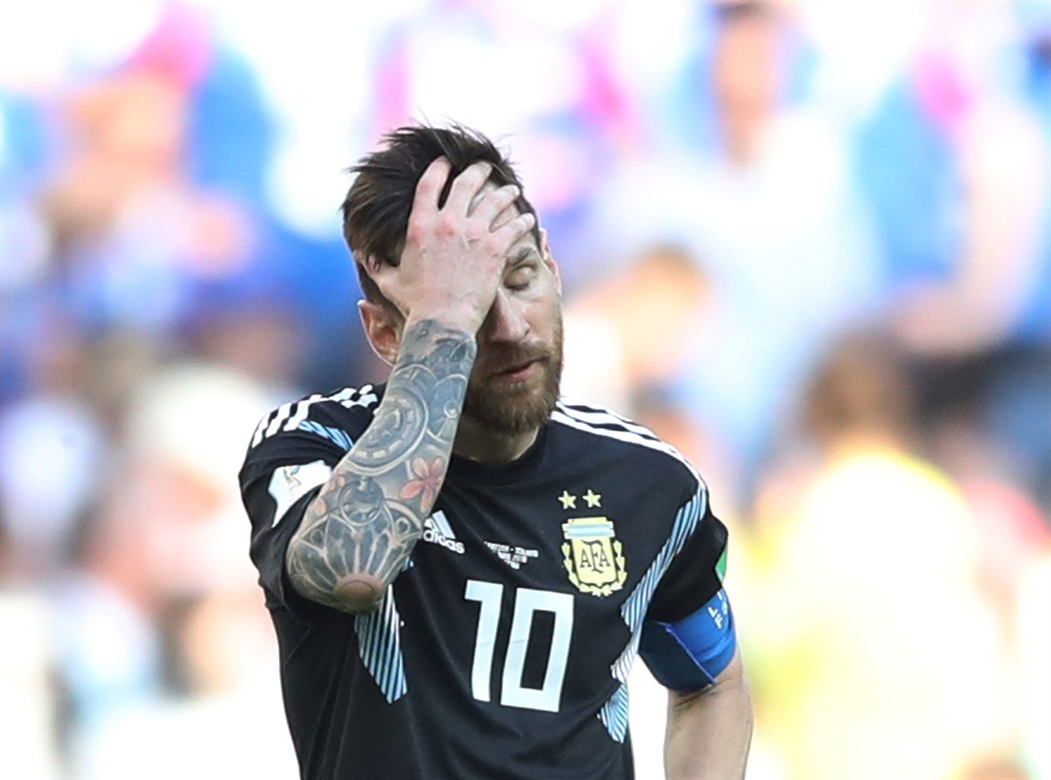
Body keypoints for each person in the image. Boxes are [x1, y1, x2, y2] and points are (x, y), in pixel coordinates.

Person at [239, 124, 752, 779]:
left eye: (521, 278)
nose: (510, 327)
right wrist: (445, 324)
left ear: (553, 269)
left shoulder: (649, 484)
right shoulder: (317, 443)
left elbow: (712, 683)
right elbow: (349, 572)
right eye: (472, 305)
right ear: (388, 334)